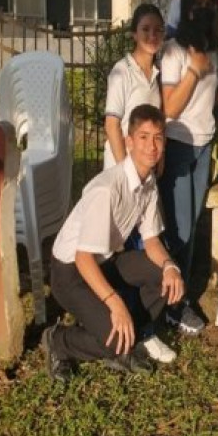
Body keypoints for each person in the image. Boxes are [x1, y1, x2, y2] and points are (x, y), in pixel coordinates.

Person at [41, 105, 185, 383]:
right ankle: (60, 341)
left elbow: (151, 240)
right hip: (70, 272)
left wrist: (169, 266)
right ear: (129, 142)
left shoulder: (149, 183)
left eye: (157, 137)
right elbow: (83, 258)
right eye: (143, 137)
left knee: (166, 278)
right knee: (111, 341)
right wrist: (115, 303)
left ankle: (132, 335)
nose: (151, 146)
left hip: (105, 262)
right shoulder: (107, 188)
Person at [158, 0, 218, 336]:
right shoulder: (174, 51)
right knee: (179, 229)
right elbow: (168, 107)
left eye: (209, 4)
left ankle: (178, 296)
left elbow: (204, 102)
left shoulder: (210, 49)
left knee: (192, 225)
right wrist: (195, 70)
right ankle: (172, 306)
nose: (203, 10)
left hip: (204, 144)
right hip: (179, 146)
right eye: (196, 4)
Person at [103, 4, 164, 170]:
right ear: (134, 34)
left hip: (145, 167)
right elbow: (111, 125)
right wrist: (126, 170)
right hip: (121, 169)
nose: (152, 35)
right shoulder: (122, 71)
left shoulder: (158, 72)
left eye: (158, 30)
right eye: (145, 29)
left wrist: (160, 157)